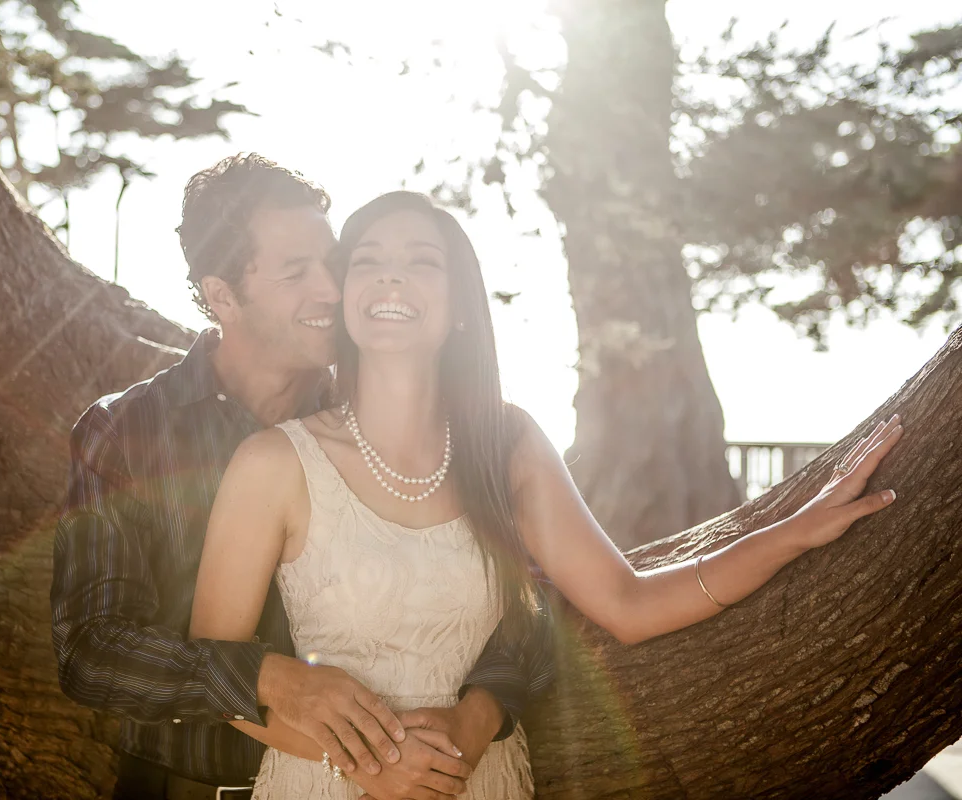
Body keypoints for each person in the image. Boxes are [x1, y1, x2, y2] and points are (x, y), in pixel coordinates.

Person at [189, 191, 903, 798]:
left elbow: (629, 603)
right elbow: (214, 675)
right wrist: (368, 764)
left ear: (460, 308)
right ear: (344, 297)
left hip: (483, 782)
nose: (391, 280)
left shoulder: (508, 445)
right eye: (368, 261)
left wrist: (795, 530)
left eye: (421, 263)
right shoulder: (274, 461)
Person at [51, 157, 553, 800]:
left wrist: (485, 708)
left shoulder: (388, 422)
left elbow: (531, 587)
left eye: (332, 263)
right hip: (187, 789)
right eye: (296, 272)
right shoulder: (126, 431)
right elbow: (91, 651)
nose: (330, 289)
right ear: (223, 294)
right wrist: (270, 677)